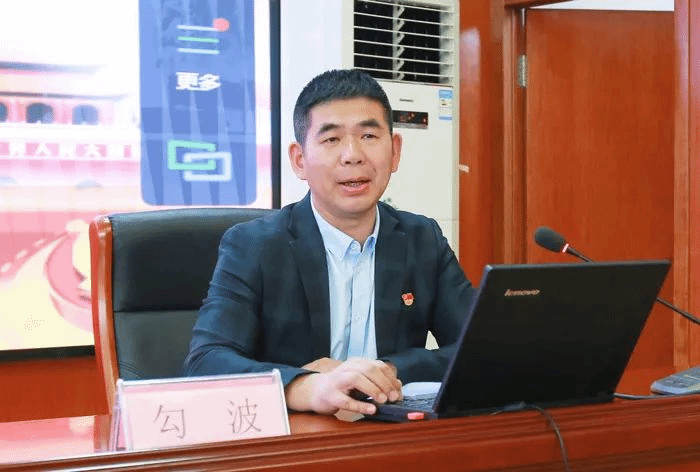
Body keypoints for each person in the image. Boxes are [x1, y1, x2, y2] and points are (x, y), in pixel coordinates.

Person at [184, 69, 474, 416]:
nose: (352, 155)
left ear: (395, 152)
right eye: (332, 139)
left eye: (369, 135)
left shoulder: (422, 239)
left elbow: (478, 349)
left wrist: (388, 370)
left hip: (391, 433)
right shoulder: (254, 245)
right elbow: (206, 362)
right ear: (299, 160)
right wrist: (307, 386)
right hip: (299, 438)